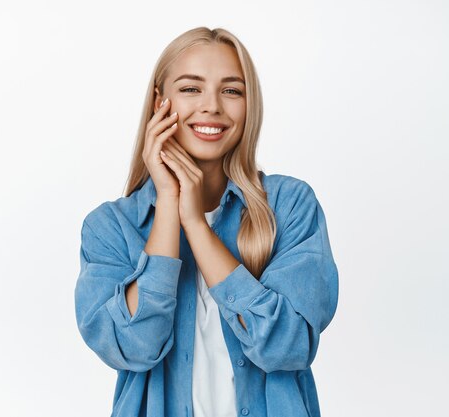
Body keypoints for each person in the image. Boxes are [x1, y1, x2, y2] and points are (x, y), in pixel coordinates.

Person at [74, 26, 339, 417]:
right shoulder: (110, 228)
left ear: (250, 105)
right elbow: (134, 347)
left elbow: (288, 345)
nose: (212, 106)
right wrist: (168, 202)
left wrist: (196, 225)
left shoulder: (290, 206)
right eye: (191, 89)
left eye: (231, 90)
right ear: (159, 102)